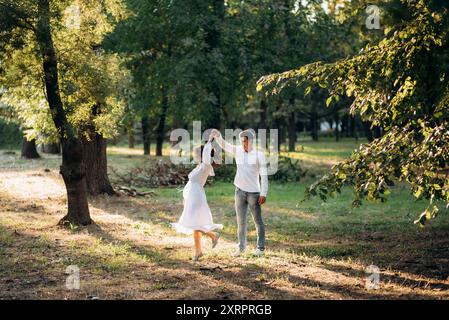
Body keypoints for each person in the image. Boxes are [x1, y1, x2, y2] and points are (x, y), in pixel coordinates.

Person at [211, 129, 268, 257]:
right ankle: (241, 248)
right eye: (242, 141)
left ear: (251, 141)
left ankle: (260, 248)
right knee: (241, 222)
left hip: (254, 193)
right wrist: (218, 136)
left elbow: (264, 176)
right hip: (239, 191)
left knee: (258, 221)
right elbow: (225, 145)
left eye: (245, 142)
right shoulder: (238, 151)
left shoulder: (259, 155)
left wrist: (263, 193)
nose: (243, 144)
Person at [171, 137, 222, 261]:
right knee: (195, 223)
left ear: (202, 155)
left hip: (197, 197)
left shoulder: (205, 165)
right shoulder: (199, 166)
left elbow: (206, 154)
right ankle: (199, 251)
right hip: (192, 196)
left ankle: (212, 235)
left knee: (194, 223)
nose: (194, 155)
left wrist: (209, 142)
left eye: (195, 153)